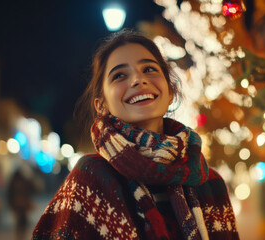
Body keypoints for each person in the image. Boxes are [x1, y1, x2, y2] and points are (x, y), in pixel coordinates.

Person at [32, 29, 240, 240]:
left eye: (149, 69)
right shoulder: (90, 179)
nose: (138, 80)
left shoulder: (210, 183)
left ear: (170, 92)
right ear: (102, 105)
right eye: (119, 75)